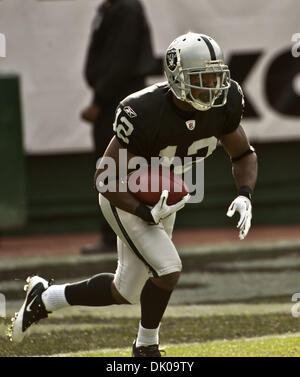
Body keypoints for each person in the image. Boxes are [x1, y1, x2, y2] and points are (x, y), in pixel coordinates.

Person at [8, 32, 257, 357]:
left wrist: (245, 194)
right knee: (168, 269)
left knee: (125, 290)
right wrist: (142, 212)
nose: (211, 87)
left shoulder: (225, 103)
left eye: (215, 77)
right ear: (176, 78)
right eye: (201, 79)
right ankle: (145, 347)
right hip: (125, 196)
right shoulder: (144, 111)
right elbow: (105, 177)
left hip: (162, 199)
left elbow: (243, 153)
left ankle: (45, 297)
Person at [80, 0, 160, 254]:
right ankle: (119, 235)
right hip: (114, 97)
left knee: (116, 167)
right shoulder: (112, 7)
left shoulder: (126, 8)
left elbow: (120, 60)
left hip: (120, 98)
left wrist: (100, 99)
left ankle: (123, 235)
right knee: (114, 167)